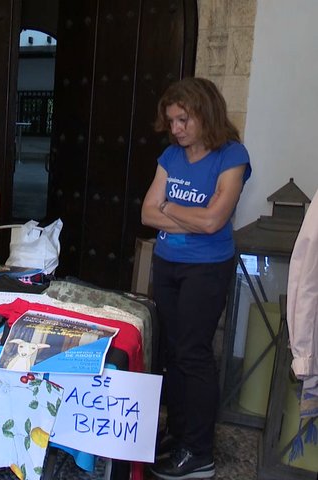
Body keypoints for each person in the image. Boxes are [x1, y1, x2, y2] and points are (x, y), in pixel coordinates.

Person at [141, 77, 251, 479]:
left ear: (205, 113)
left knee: (194, 353)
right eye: (171, 121)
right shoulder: (171, 155)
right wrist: (185, 215)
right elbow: (146, 213)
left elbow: (213, 221)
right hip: (168, 263)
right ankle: (179, 432)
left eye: (183, 119)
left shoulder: (232, 156)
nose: (176, 129)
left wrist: (169, 207)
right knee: (172, 352)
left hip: (206, 269)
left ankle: (199, 452)